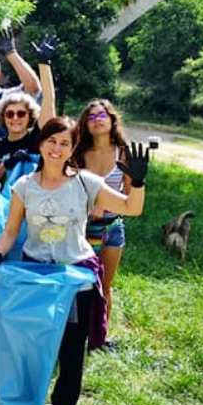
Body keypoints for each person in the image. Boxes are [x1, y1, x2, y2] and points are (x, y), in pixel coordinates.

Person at [0, 117, 151, 405]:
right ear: (41, 144)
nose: (57, 149)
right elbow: (12, 231)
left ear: (73, 148)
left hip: (74, 278)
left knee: (71, 351)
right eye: (52, 141)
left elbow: (132, 208)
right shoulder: (24, 186)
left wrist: (139, 183)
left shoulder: (87, 183)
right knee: (11, 344)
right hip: (34, 276)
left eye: (65, 143)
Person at [74, 99, 132, 351]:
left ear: (111, 120)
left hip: (112, 228)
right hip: (82, 229)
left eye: (102, 115)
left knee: (104, 285)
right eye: (91, 116)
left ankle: (99, 338)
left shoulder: (124, 153)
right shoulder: (78, 152)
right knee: (80, 284)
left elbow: (131, 196)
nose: (97, 119)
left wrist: (107, 206)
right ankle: (74, 333)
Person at [0, 37, 59, 180]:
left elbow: (48, 101)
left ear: (30, 116)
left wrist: (44, 64)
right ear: (3, 117)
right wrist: (7, 164)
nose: (15, 118)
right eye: (9, 114)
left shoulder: (37, 138)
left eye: (20, 114)